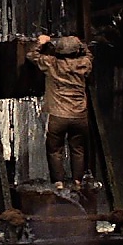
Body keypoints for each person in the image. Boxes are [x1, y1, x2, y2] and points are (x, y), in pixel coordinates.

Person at [26, 33, 93, 191]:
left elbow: (31, 55)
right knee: (78, 148)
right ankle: (77, 182)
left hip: (58, 115)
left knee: (55, 150)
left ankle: (58, 183)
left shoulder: (51, 64)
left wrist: (41, 42)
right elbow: (89, 54)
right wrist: (80, 43)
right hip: (79, 115)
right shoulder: (84, 64)